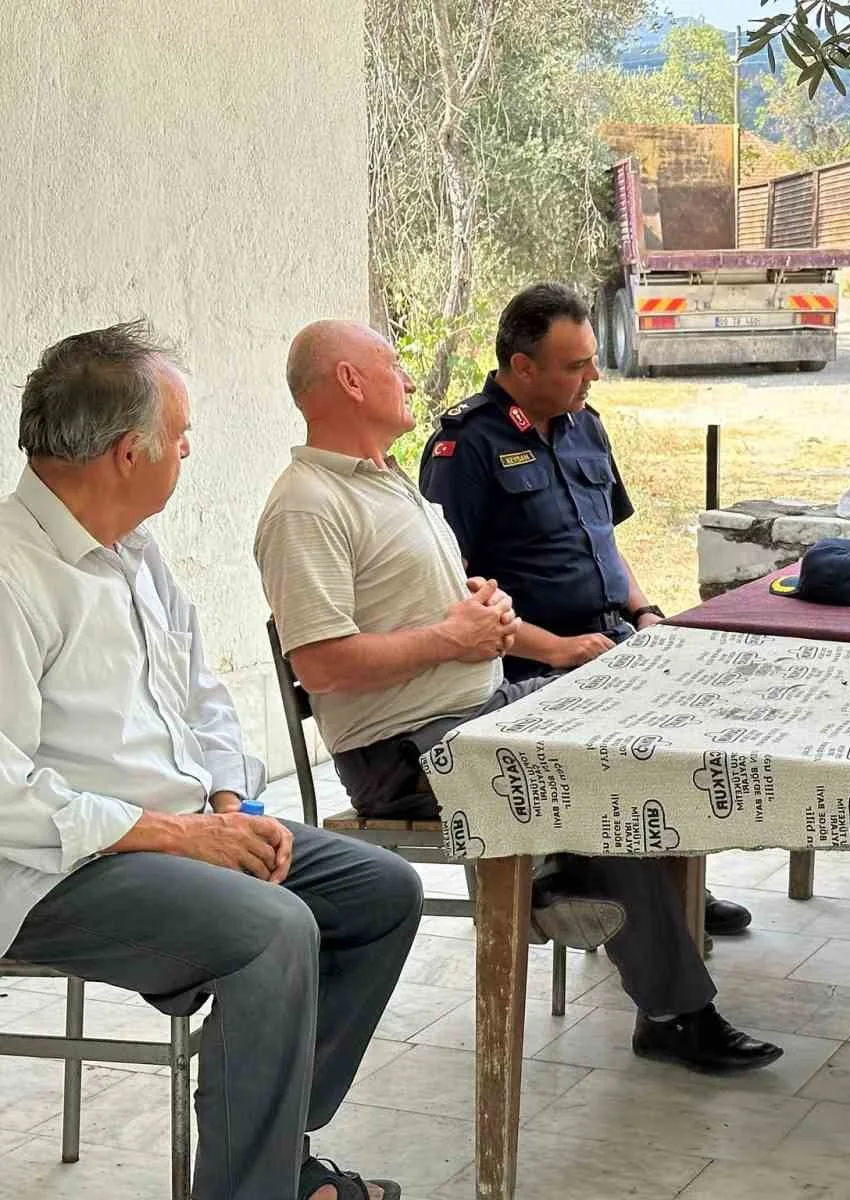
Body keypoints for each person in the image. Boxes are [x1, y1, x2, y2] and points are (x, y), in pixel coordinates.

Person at [254, 318, 782, 1074]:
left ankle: (577, 880)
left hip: (478, 710)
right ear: (347, 381)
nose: (407, 378)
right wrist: (452, 639)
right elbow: (323, 665)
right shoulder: (306, 503)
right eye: (391, 364)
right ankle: (639, 974)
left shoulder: (384, 481)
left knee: (636, 719)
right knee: (583, 763)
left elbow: (442, 618)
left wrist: (486, 614)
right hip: (408, 752)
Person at [1, 322, 419, 1200]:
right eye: (181, 433)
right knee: (272, 930)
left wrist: (227, 801)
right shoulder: (12, 573)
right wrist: (170, 838)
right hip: (55, 868)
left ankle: (265, 1147)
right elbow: (8, 792)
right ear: (127, 452)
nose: (190, 448)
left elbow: (207, 704)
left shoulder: (138, 558)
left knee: (381, 893)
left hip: (181, 833)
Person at [417, 283, 751, 943]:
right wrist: (556, 649)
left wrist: (647, 612)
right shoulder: (466, 447)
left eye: (591, 360)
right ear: (522, 369)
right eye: (576, 366)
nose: (594, 376)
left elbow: (606, 543)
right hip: (527, 662)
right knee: (631, 734)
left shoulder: (585, 425)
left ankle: (677, 877)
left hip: (610, 636)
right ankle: (621, 893)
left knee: (701, 699)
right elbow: (453, 590)